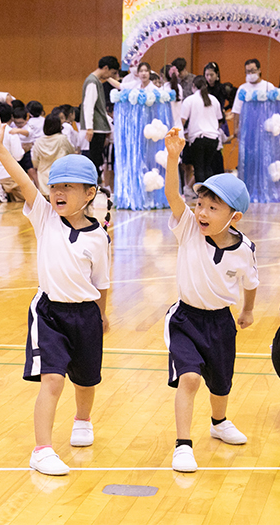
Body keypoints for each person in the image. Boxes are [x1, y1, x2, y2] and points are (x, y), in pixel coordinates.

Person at [0, 115, 110, 476]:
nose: (58, 193)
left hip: (85, 315)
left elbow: (101, 283)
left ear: (89, 194)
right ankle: (42, 449)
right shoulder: (44, 216)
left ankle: (82, 420)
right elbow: (23, 180)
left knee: (87, 378)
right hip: (49, 313)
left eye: (68, 187)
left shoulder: (99, 238)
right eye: (55, 186)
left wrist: (102, 315)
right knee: (52, 378)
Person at [163, 129, 258, 473]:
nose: (201, 211)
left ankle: (219, 422)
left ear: (234, 217)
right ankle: (183, 444)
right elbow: (173, 194)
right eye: (200, 204)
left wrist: (247, 310)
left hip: (221, 322)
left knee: (220, 381)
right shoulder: (188, 228)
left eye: (212, 207)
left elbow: (251, 283)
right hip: (186, 320)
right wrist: (173, 156)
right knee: (189, 378)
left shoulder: (244, 249)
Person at [81, 56, 120, 181]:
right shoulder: (92, 82)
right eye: (112, 73)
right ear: (105, 68)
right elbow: (88, 106)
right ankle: (94, 188)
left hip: (98, 128)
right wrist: (89, 128)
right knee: (95, 161)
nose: (111, 76)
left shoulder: (95, 81)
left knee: (97, 160)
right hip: (96, 128)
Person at [180, 76, 223, 184]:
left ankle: (201, 194)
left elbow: (182, 121)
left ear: (193, 86)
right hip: (213, 138)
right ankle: (208, 193)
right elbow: (219, 120)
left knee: (198, 167)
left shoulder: (190, 100)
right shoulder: (214, 99)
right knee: (208, 166)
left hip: (198, 137)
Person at [0, 102, 24, 202]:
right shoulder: (12, 132)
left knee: (12, 199)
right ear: (11, 116)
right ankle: (3, 189)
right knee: (28, 195)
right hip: (8, 175)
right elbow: (18, 156)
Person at [31, 114, 76, 194]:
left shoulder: (38, 141)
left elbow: (35, 161)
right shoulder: (62, 139)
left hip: (43, 176)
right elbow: (72, 152)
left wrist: (37, 167)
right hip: (60, 174)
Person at [231, 59, 275, 135]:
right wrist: (235, 128)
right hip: (247, 129)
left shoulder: (269, 86)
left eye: (253, 71)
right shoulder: (242, 89)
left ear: (259, 70)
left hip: (265, 129)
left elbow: (274, 108)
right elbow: (237, 110)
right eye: (248, 72)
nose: (250, 74)